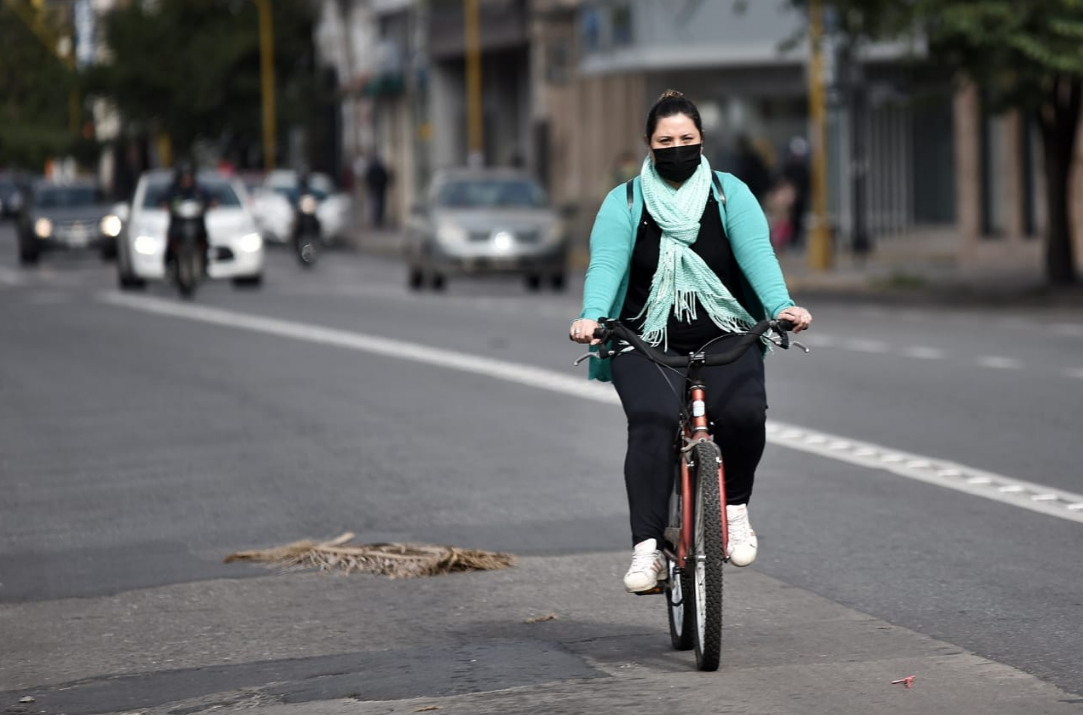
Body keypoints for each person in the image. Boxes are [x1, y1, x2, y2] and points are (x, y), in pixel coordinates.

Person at [569, 90, 812, 594]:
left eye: (686, 139)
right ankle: (647, 550)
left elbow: (758, 256)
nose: (676, 147)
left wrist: (781, 306)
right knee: (653, 424)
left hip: (725, 333)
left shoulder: (729, 194)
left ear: (701, 142)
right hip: (645, 338)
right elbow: (606, 266)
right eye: (665, 140)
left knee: (746, 413)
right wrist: (593, 318)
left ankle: (735, 508)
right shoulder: (626, 201)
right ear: (648, 145)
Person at [364, 153, 390, 228]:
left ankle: (376, 219)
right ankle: (378, 219)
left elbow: (368, 177)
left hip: (375, 188)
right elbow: (385, 177)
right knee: (378, 204)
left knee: (374, 204)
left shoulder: (373, 168)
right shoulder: (380, 168)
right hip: (379, 188)